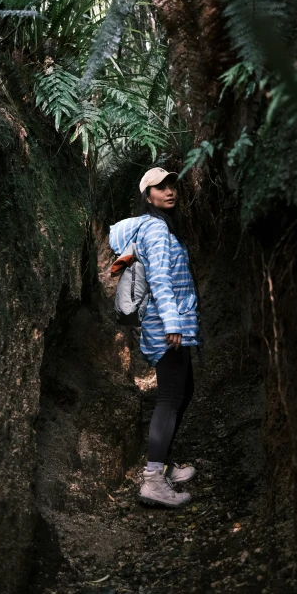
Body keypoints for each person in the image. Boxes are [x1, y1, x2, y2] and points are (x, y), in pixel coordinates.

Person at [109, 167, 200, 507]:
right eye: (159, 188)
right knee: (170, 396)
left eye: (171, 185)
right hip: (167, 325)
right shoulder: (156, 230)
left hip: (174, 322)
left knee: (183, 391)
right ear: (148, 197)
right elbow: (161, 280)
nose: (169, 191)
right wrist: (174, 322)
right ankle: (152, 480)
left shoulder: (163, 227)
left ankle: (162, 466)